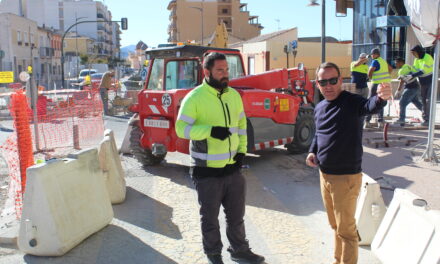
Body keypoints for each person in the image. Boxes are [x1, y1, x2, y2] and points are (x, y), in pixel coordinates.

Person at [175, 52, 264, 264]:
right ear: (207, 72)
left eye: (227, 70)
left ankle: (239, 250)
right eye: (220, 71)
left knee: (236, 216)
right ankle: (214, 254)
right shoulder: (194, 97)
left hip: (233, 169)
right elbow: (181, 129)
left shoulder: (233, 95)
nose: (225, 74)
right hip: (206, 170)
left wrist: (242, 151)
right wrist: (209, 130)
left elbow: (241, 125)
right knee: (210, 218)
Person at [306, 62, 391, 264]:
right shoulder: (319, 107)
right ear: (317, 84)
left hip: (346, 177)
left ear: (341, 80)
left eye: (333, 80)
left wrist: (380, 98)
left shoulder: (352, 102)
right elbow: (319, 133)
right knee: (335, 225)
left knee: (346, 230)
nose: (328, 85)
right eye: (323, 81)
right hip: (324, 175)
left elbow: (368, 106)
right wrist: (312, 151)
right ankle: (338, 260)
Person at [365, 48, 392, 128]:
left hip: (376, 84)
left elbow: (370, 71)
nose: (372, 56)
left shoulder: (375, 61)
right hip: (384, 84)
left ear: (376, 54)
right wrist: (385, 76)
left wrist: (370, 78)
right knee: (381, 101)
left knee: (370, 101)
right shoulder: (383, 61)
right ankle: (380, 122)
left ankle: (367, 121)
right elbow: (390, 69)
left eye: (373, 54)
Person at [394, 57, 423, 126]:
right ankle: (428, 115)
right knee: (416, 102)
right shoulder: (408, 66)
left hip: (410, 88)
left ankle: (401, 119)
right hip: (416, 86)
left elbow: (402, 81)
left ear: (401, 62)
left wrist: (398, 91)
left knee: (402, 103)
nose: (396, 65)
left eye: (396, 63)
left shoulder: (402, 70)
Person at [410, 45, 434, 126]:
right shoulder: (417, 59)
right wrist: (407, 75)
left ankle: (429, 119)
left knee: (428, 100)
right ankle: (425, 119)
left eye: (414, 53)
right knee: (423, 100)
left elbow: (423, 71)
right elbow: (414, 70)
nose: (413, 55)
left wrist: (412, 75)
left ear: (418, 52)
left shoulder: (427, 57)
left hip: (430, 81)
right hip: (422, 82)